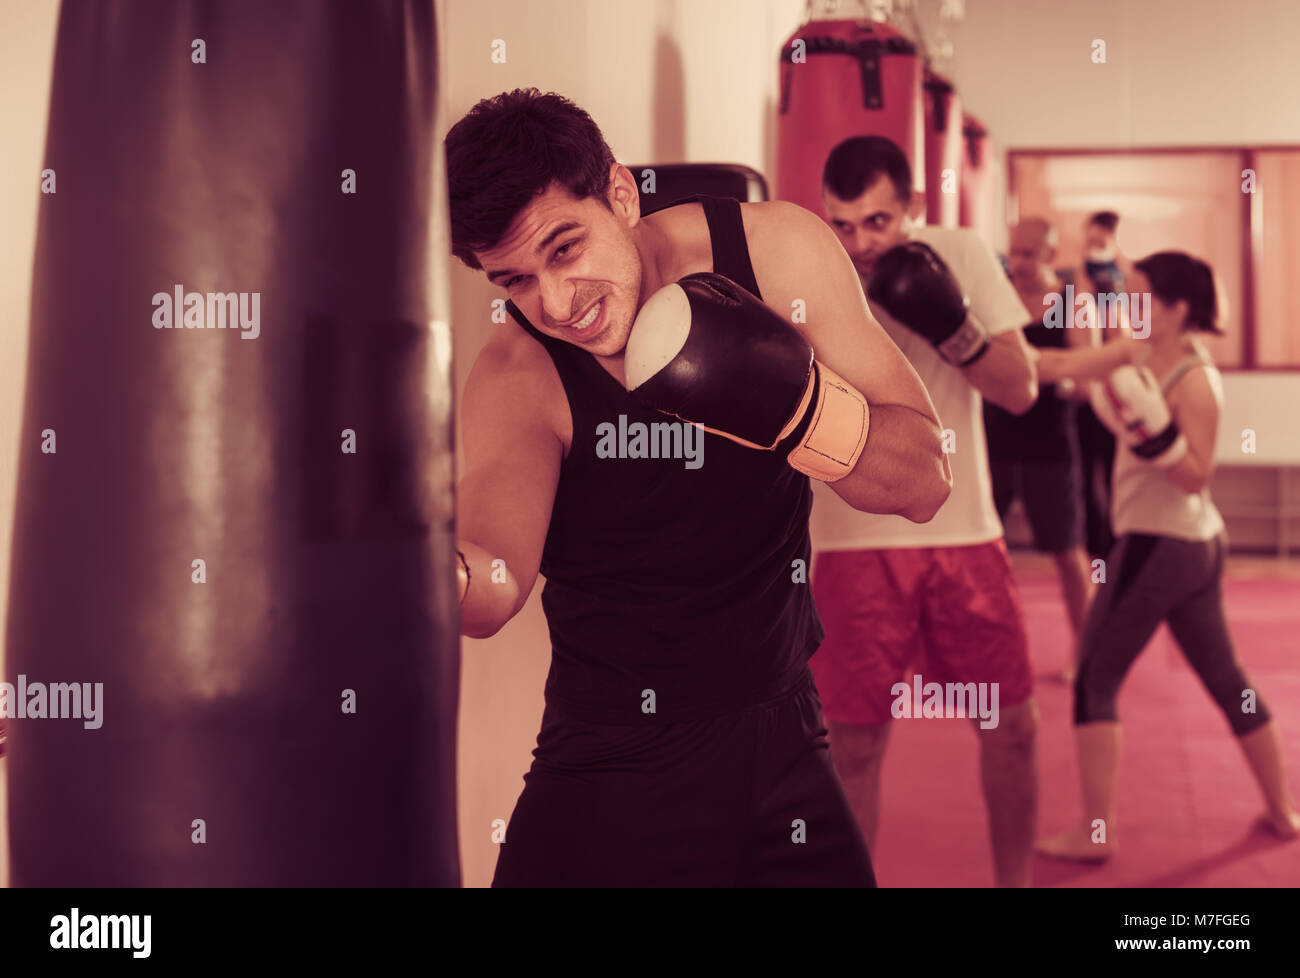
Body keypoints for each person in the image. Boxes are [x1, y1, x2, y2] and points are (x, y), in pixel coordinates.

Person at [447, 89, 951, 886]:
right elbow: (492, 585)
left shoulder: (775, 254)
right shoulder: (521, 372)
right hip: (611, 767)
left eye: (565, 249)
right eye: (513, 281)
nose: (554, 303)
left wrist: (799, 409)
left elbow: (923, 479)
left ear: (619, 193)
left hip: (785, 737)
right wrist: (412, 564)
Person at [808, 135, 1041, 887]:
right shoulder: (806, 263)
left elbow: (1020, 390)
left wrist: (953, 326)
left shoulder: (961, 252)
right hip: (847, 540)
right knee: (855, 744)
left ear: (912, 207)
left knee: (1010, 728)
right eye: (842, 224)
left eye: (877, 223)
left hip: (964, 532)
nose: (860, 243)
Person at [1033, 251, 1300, 859]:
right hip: (1194, 545)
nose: (1131, 303)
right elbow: (1061, 364)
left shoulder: (1198, 381)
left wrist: (1155, 433)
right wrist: (974, 349)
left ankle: (1095, 832)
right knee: (1225, 676)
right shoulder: (1137, 351)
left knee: (1094, 677)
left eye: (1144, 294)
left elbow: (1196, 476)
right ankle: (1282, 809)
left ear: (1179, 307)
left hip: (1163, 543)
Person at [984, 217, 1097, 681]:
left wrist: (1053, 375)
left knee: (1067, 553)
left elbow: (1087, 376)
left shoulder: (1074, 303)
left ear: (1051, 255)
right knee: (984, 550)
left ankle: (1086, 656)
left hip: (1050, 443)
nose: (1020, 263)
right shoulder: (995, 293)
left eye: (1030, 254)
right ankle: (984, 653)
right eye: (1015, 252)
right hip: (995, 438)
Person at [1075, 210, 1128, 561]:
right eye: (1091, 239)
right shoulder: (1074, 281)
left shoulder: (1125, 278)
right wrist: (1081, 281)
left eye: (1102, 241)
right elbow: (1078, 338)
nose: (1096, 247)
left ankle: (1116, 546)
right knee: (1082, 474)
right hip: (1082, 398)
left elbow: (1122, 338)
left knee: (1114, 473)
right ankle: (1092, 548)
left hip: (1116, 394)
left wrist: (1113, 289)